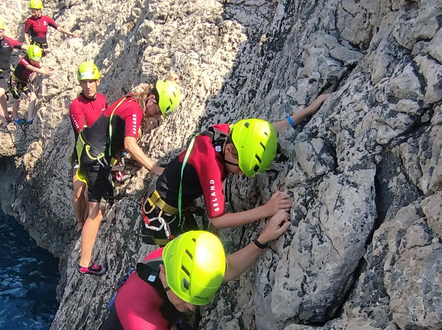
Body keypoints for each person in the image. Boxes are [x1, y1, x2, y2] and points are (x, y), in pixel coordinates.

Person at [141, 94, 330, 245]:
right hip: (161, 215)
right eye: (241, 168)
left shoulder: (229, 133)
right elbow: (218, 219)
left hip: (174, 199)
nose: (241, 174)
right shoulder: (211, 164)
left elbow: (263, 133)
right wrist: (266, 209)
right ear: (230, 150)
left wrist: (308, 111)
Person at [100, 210, 292, 329]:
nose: (192, 307)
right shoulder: (139, 317)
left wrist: (264, 238)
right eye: (185, 297)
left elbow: (228, 268)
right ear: (164, 275)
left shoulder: (178, 258)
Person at [76, 80, 181, 275]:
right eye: (158, 111)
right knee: (95, 213)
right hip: (95, 159)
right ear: (151, 99)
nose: (156, 116)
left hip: (88, 148)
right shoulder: (135, 111)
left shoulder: (134, 99)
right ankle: (85, 263)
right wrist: (154, 168)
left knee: (93, 202)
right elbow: (130, 144)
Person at [68, 62, 108, 233]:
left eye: (91, 81)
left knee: (92, 193)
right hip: (82, 154)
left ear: (98, 81)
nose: (88, 86)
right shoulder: (76, 105)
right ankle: (79, 223)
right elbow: (83, 133)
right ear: (80, 84)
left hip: (101, 152)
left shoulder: (102, 100)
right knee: (78, 190)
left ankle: (88, 223)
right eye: (84, 82)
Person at [9, 44, 53, 124]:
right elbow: (31, 68)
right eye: (33, 60)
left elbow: (40, 68)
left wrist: (47, 71)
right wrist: (45, 72)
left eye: (36, 61)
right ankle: (15, 117)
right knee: (17, 100)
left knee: (33, 97)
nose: (35, 62)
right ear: (29, 57)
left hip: (24, 82)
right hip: (15, 81)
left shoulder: (35, 62)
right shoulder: (23, 61)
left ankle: (30, 118)